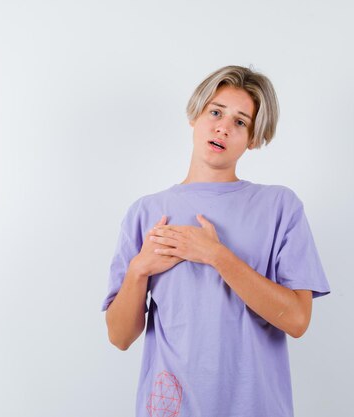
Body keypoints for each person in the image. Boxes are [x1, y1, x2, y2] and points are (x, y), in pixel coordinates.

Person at [101, 65, 331, 417]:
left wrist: (216, 255)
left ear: (253, 138)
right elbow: (120, 337)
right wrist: (138, 270)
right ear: (195, 116)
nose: (223, 126)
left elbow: (298, 320)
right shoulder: (146, 212)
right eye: (216, 112)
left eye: (240, 121)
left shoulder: (279, 206)